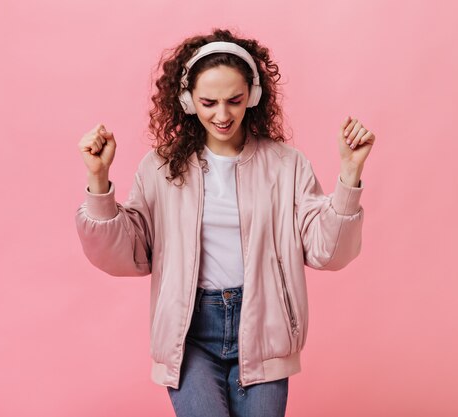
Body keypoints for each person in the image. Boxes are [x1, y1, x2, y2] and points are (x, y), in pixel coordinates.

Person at [75, 28, 376, 417]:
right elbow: (125, 254)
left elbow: (328, 251)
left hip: (264, 330)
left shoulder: (287, 165)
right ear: (186, 101)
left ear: (252, 96)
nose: (222, 115)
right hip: (190, 335)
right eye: (209, 102)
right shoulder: (161, 169)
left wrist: (350, 173)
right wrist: (98, 181)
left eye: (234, 101)